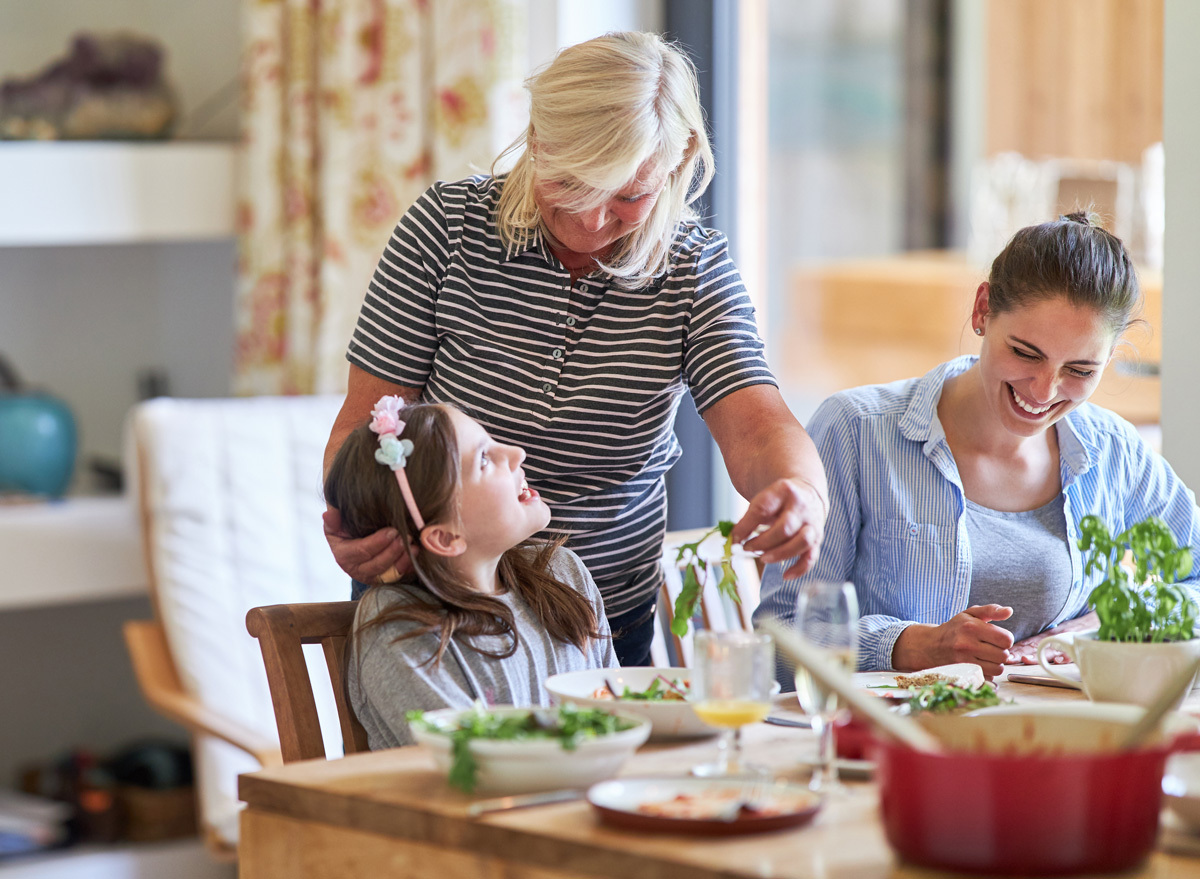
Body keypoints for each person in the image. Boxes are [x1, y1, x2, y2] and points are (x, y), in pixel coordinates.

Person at [322, 31, 828, 667]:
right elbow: (363, 426)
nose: (590, 221)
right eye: (570, 182)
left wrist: (798, 491)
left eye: (627, 196)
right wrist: (357, 517)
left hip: (600, 628)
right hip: (433, 611)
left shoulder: (693, 271)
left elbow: (759, 427)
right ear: (535, 140)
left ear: (679, 162)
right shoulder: (444, 230)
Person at [754, 212, 1200, 682]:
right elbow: (777, 637)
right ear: (982, 310)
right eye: (1026, 353)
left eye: (1081, 370)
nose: (1044, 391)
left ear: (1109, 359)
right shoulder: (856, 431)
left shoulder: (1114, 451)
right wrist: (910, 646)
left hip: (1060, 734)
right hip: (896, 743)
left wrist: (1103, 624)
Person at [324, 395, 618, 749]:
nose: (516, 454)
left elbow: (617, 715)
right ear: (445, 537)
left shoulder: (565, 574)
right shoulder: (398, 628)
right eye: (483, 459)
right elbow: (470, 762)